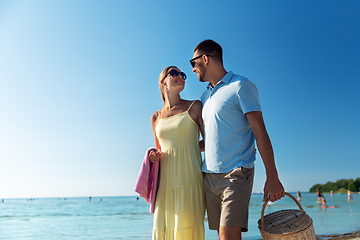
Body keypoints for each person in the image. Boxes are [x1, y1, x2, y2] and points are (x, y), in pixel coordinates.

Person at [190, 39, 285, 240]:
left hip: (236, 173)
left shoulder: (241, 86)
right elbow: (210, 140)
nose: (192, 69)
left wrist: (273, 176)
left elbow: (260, 132)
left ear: (204, 59)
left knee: (227, 236)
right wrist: (176, 151)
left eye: (193, 63)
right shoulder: (205, 97)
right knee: (222, 235)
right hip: (209, 175)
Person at [149, 66, 206, 239]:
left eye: (182, 74)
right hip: (165, 186)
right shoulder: (155, 117)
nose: (180, 76)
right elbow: (158, 149)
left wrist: (191, 146)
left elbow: (210, 141)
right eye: (174, 73)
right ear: (162, 81)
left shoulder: (195, 106)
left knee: (188, 232)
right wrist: (152, 156)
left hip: (190, 180)